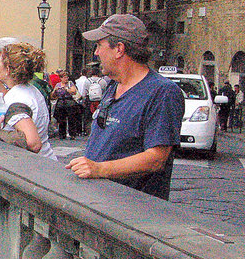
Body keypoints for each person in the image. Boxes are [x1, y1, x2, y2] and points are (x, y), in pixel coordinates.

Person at [66, 14, 185, 200]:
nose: (96, 53)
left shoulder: (162, 92)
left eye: (99, 45)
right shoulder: (113, 86)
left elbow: (156, 158)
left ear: (119, 49)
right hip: (99, 200)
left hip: (132, 209)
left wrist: (99, 169)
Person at [0, 42, 57, 159]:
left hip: (31, 165)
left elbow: (33, 143)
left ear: (7, 69)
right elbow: (3, 94)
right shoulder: (29, 89)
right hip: (45, 159)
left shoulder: (17, 99)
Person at [51, 70, 80, 138]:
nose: (66, 79)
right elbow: (52, 95)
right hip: (61, 102)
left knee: (71, 119)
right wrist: (55, 91)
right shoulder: (58, 85)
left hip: (69, 102)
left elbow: (74, 91)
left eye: (67, 77)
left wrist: (66, 89)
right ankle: (62, 134)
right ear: (61, 78)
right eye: (64, 77)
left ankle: (72, 134)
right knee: (61, 119)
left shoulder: (70, 83)